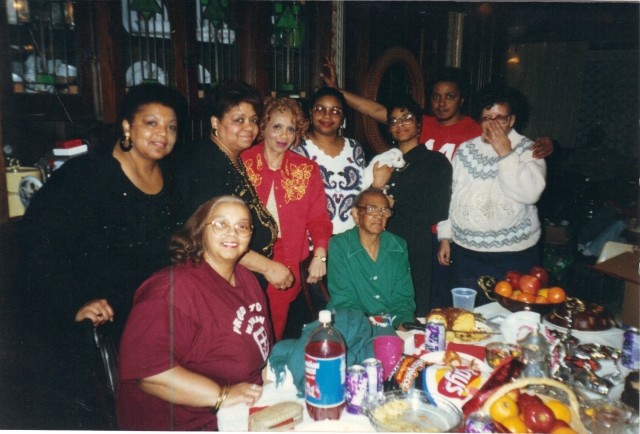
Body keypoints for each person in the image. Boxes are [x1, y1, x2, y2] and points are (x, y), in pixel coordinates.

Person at [321, 59, 553, 308]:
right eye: (436, 97)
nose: (442, 103)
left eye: (450, 96)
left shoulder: (478, 129)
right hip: (441, 236)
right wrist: (337, 91)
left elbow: (520, 164)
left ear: (462, 100)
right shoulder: (428, 126)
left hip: (443, 236)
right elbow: (380, 112)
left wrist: (544, 145)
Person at [20, 83, 187, 427]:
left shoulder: (170, 175)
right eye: (151, 123)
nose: (163, 134)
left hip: (152, 309)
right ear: (127, 126)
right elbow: (37, 243)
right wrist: (75, 302)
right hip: (100, 318)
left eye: (171, 126)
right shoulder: (87, 175)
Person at [117, 196, 272, 430]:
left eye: (242, 226)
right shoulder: (170, 291)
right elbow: (151, 374)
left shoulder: (246, 278)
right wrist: (223, 394)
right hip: (187, 421)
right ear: (200, 231)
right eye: (221, 224)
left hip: (240, 409)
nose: (233, 233)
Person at [174, 80, 293, 291]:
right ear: (214, 122)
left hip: (236, 277)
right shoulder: (205, 162)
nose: (250, 127)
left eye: (254, 120)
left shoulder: (232, 158)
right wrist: (267, 267)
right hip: (216, 283)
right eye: (239, 120)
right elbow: (209, 238)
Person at [437, 84, 546, 306]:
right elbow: (452, 193)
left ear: (512, 120)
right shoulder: (466, 149)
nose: (493, 125)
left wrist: (506, 152)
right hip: (466, 251)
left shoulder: (529, 149)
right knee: (468, 317)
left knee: (510, 317)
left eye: (500, 118)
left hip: (512, 253)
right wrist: (445, 236)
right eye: (487, 118)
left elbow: (530, 194)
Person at [241, 97, 332, 340]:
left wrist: (320, 255)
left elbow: (319, 218)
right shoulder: (243, 162)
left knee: (273, 333)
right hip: (245, 260)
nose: (283, 135)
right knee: (244, 331)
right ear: (264, 127)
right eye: (277, 126)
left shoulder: (306, 169)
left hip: (287, 262)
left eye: (291, 129)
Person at [378, 98, 452, 316]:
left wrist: (394, 204)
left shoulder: (434, 161)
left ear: (419, 124)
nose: (400, 124)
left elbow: (438, 209)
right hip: (380, 241)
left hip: (414, 244)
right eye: (394, 121)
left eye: (407, 118)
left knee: (413, 306)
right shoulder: (384, 161)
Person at [291, 87, 388, 234]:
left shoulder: (355, 148)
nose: (327, 116)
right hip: (310, 241)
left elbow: (362, 193)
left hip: (350, 241)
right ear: (310, 113)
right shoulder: (296, 148)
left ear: (342, 117)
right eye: (320, 109)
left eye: (335, 111)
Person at [327, 188, 415, 329]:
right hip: (351, 323)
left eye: (384, 211)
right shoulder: (340, 245)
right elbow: (344, 300)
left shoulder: (398, 246)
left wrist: (402, 324)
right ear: (356, 213)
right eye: (371, 209)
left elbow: (403, 297)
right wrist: (368, 328)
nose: (379, 216)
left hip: (390, 323)